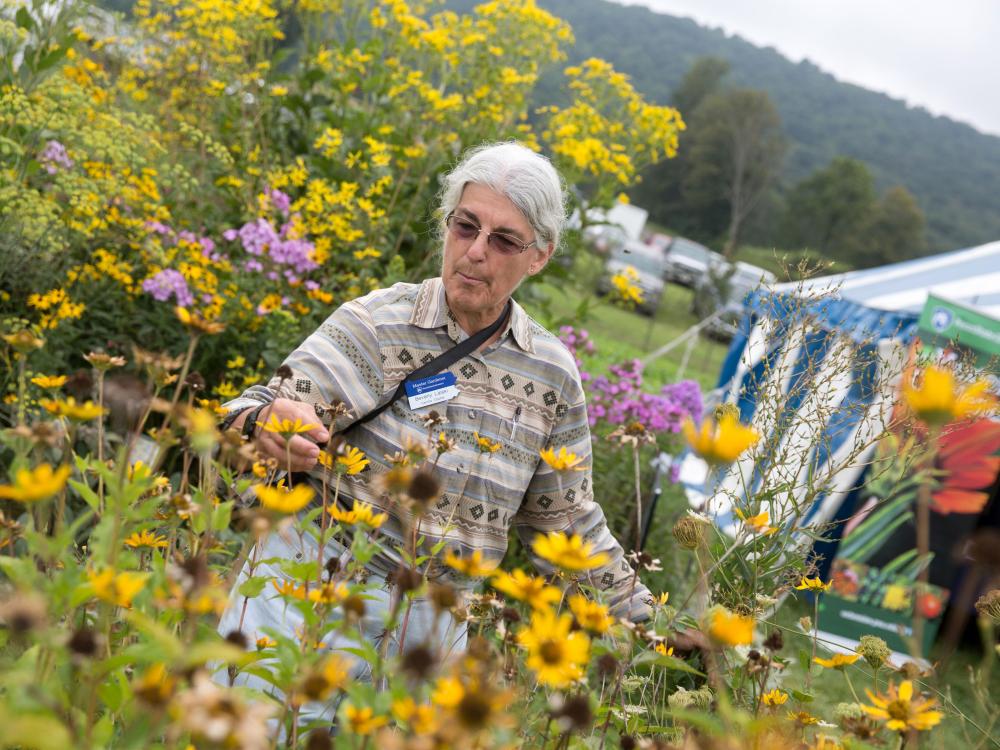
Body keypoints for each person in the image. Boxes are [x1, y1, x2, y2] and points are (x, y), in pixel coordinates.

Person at [215, 141, 652, 719]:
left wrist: (647, 622)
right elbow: (251, 410)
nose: (475, 252)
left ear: (539, 256)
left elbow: (564, 522)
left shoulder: (552, 374)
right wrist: (268, 424)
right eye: (465, 226)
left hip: (435, 628)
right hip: (313, 590)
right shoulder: (377, 323)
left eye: (503, 240)